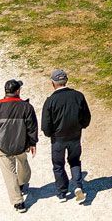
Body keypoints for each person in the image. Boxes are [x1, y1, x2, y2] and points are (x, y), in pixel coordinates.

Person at [0, 78, 40, 212]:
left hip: (2, 146)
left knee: (9, 173)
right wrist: (32, 143)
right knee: (24, 164)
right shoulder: (26, 107)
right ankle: (21, 183)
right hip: (21, 144)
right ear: (18, 91)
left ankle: (18, 202)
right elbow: (32, 127)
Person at [41, 69, 92, 204]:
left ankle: (62, 193)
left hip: (58, 139)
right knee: (75, 161)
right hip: (75, 136)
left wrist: (50, 134)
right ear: (66, 81)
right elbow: (86, 117)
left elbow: (46, 125)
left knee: (58, 164)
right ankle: (78, 186)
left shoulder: (50, 101)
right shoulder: (78, 96)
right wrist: (81, 126)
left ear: (53, 83)